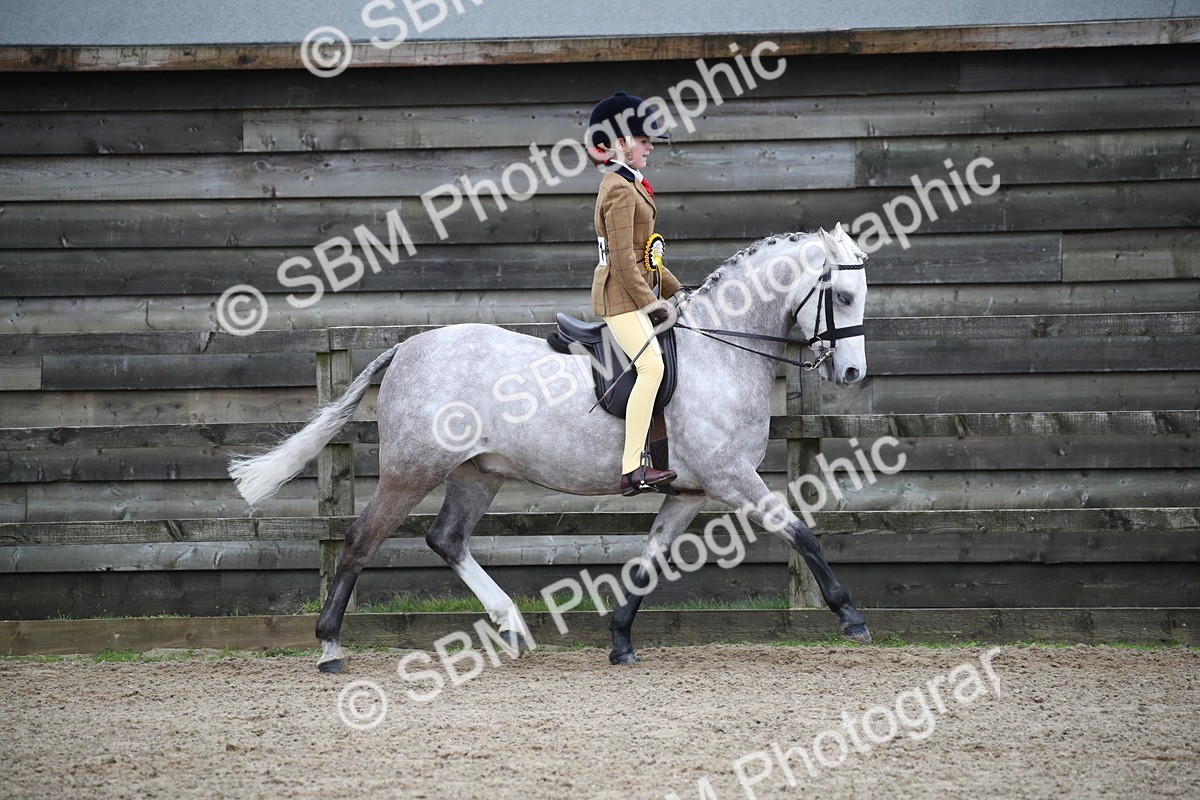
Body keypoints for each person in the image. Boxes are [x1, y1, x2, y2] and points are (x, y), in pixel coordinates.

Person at [586, 91, 682, 496]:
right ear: (620, 142)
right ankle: (633, 469)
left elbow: (646, 255)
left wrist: (679, 291)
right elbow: (624, 262)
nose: (650, 146)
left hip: (631, 290)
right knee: (652, 368)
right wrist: (653, 305)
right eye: (643, 140)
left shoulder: (630, 183)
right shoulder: (619, 189)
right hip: (619, 298)